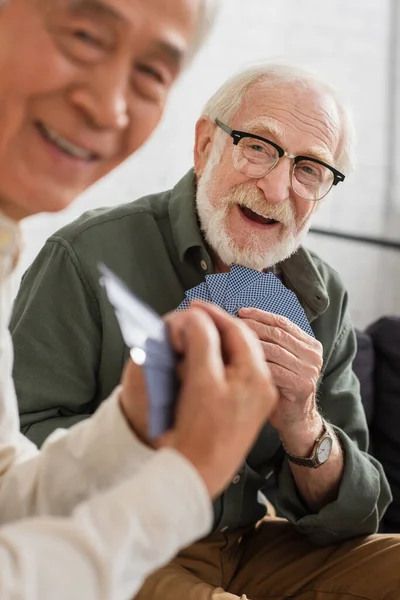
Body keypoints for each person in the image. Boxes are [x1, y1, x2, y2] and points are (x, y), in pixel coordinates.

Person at [11, 62, 400, 600]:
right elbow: (16, 458)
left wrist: (303, 425)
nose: (278, 185)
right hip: (120, 538)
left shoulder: (322, 295)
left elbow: (357, 516)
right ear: (204, 145)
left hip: (250, 544)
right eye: (258, 146)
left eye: (310, 168)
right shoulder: (85, 255)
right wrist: (154, 431)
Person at [0, 1, 281, 598]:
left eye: (152, 74)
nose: (109, 107)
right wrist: (181, 480)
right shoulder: (82, 249)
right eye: (84, 36)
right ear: (205, 146)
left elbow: (4, 493)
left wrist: (130, 426)